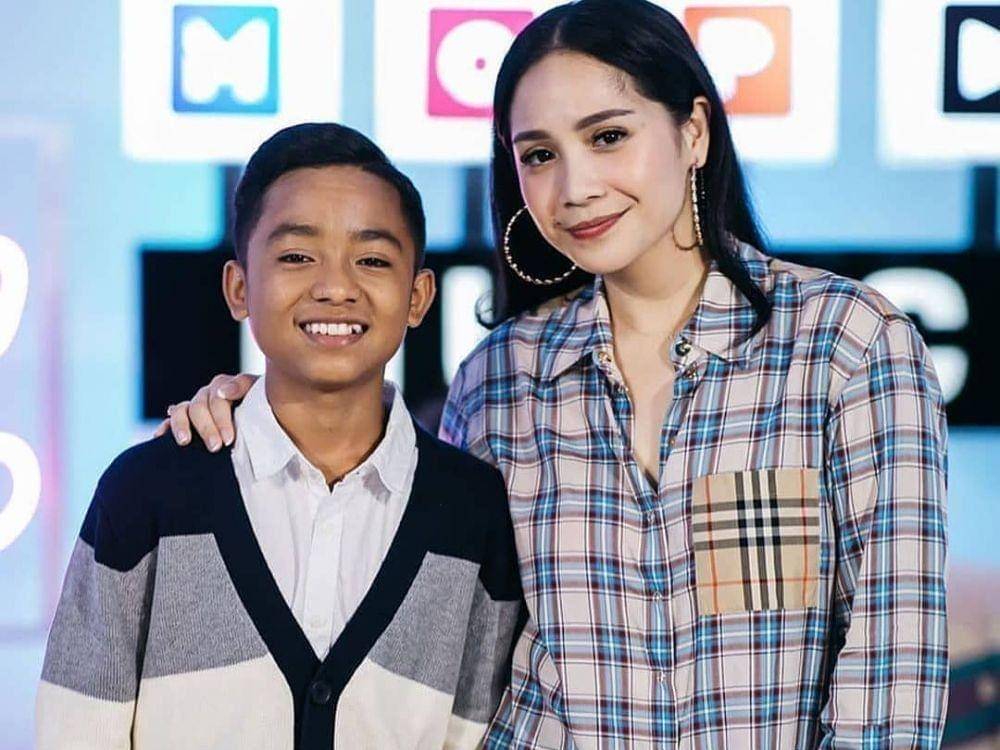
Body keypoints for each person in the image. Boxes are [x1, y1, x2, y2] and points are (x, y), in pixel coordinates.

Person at [159, 1, 950, 747]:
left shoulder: (846, 347)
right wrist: (267, 413)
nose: (576, 188)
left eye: (608, 137)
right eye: (540, 155)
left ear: (695, 131)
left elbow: (893, 678)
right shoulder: (498, 382)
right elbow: (427, 639)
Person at [37, 123, 523, 749]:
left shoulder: (473, 512)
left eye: (373, 260)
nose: (336, 287)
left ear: (418, 297)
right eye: (297, 256)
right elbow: (76, 729)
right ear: (239, 288)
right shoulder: (147, 493)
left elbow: (476, 732)